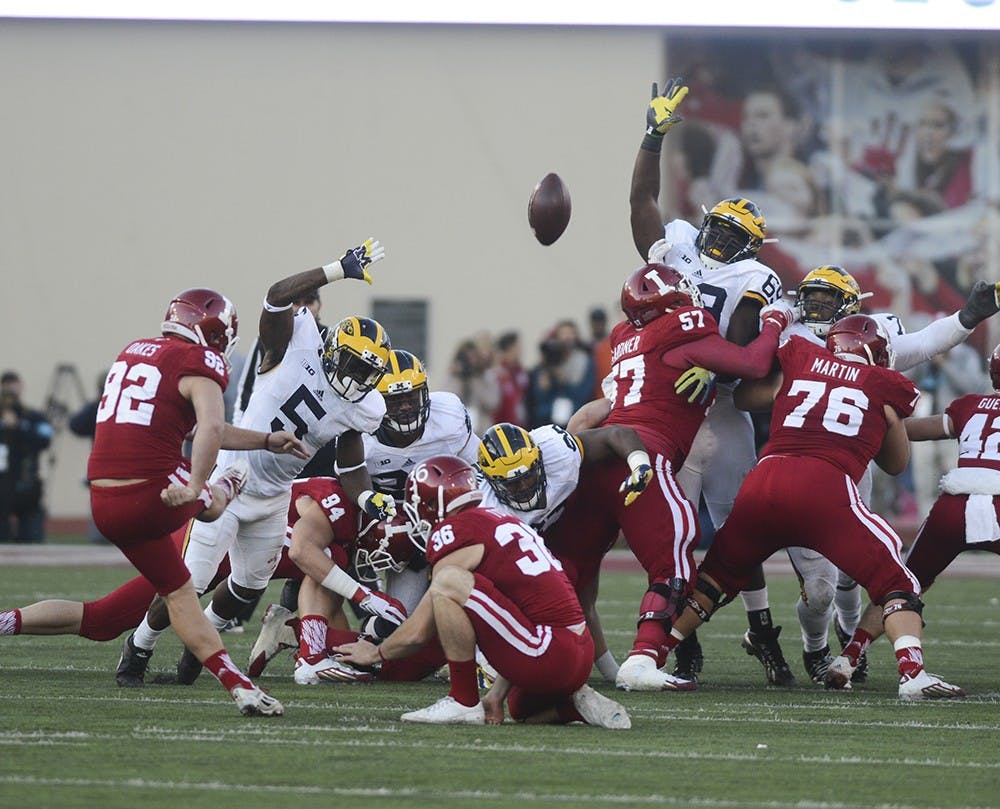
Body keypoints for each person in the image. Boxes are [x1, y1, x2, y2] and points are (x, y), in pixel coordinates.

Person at [117, 239, 397, 688]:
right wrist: (337, 269)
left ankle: (197, 644)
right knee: (190, 580)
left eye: (366, 372)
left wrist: (368, 496)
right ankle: (140, 646)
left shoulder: (362, 406)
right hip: (233, 474)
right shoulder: (295, 343)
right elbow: (277, 295)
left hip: (274, 495)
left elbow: (350, 466)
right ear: (331, 349)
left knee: (246, 588)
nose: (356, 379)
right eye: (351, 364)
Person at [663, 314, 963, 701]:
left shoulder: (800, 359)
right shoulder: (885, 385)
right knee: (897, 582)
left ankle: (650, 653)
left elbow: (743, 396)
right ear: (879, 354)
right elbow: (896, 463)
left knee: (713, 579)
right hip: (824, 488)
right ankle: (912, 672)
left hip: (765, 480)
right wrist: (883, 418)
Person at [550, 263, 795, 692]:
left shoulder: (624, 338)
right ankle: (643, 658)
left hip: (599, 457)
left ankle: (524, 649)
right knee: (674, 563)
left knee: (566, 563)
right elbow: (753, 364)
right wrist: (774, 323)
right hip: (644, 453)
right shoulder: (686, 325)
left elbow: (601, 408)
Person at [626, 76, 793, 686]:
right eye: (716, 228)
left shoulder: (757, 275)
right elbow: (641, 206)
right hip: (666, 401)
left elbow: (748, 343)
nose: (720, 240)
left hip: (718, 405)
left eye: (734, 236)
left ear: (751, 246)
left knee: (734, 527)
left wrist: (712, 358)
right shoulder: (677, 245)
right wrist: (654, 136)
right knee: (671, 525)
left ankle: (761, 628)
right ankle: (673, 631)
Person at [84, 287, 307, 715]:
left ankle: (237, 686)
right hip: (153, 487)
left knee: (179, 592)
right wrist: (199, 485)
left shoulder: (134, 351)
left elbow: (209, 427)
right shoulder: (200, 360)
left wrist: (264, 441)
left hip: (103, 497)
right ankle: (229, 486)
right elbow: (209, 426)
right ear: (216, 333)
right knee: (217, 504)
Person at [779, 265, 1000, 683]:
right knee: (843, 582)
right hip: (805, 463)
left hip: (879, 481)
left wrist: (966, 317)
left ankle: (849, 649)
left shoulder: (867, 342)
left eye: (829, 300)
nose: (817, 307)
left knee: (882, 578)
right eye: (813, 298)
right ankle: (813, 648)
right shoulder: (793, 340)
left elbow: (924, 352)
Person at [333, 455, 632, 729]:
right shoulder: (501, 520)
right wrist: (497, 695)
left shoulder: (454, 531)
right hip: (575, 651)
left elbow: (419, 630)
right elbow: (517, 615)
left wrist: (376, 652)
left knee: (448, 582)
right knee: (520, 709)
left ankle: (462, 700)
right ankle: (574, 707)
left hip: (546, 652)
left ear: (429, 504)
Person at [248, 348, 481, 676]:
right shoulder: (359, 431)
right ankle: (304, 628)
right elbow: (331, 495)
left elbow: (476, 472)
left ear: (425, 395)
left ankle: (295, 630)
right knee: (399, 636)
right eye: (393, 401)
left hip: (431, 524)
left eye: (410, 399)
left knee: (408, 634)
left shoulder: (450, 417)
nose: (403, 408)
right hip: (374, 525)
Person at [826, 342, 1000, 692]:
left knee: (901, 584)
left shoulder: (970, 406)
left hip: (954, 505)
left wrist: (857, 428)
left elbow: (913, 430)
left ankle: (848, 657)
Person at [0, 371, 53, 543]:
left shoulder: (32, 416)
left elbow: (45, 438)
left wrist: (19, 426)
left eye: (13, 385)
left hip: (27, 485)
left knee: (32, 538)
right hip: (3, 486)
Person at [492, 331, 529, 427]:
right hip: (502, 425)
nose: (521, 350)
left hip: (519, 425)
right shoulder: (498, 373)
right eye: (518, 346)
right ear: (509, 348)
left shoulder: (520, 372)